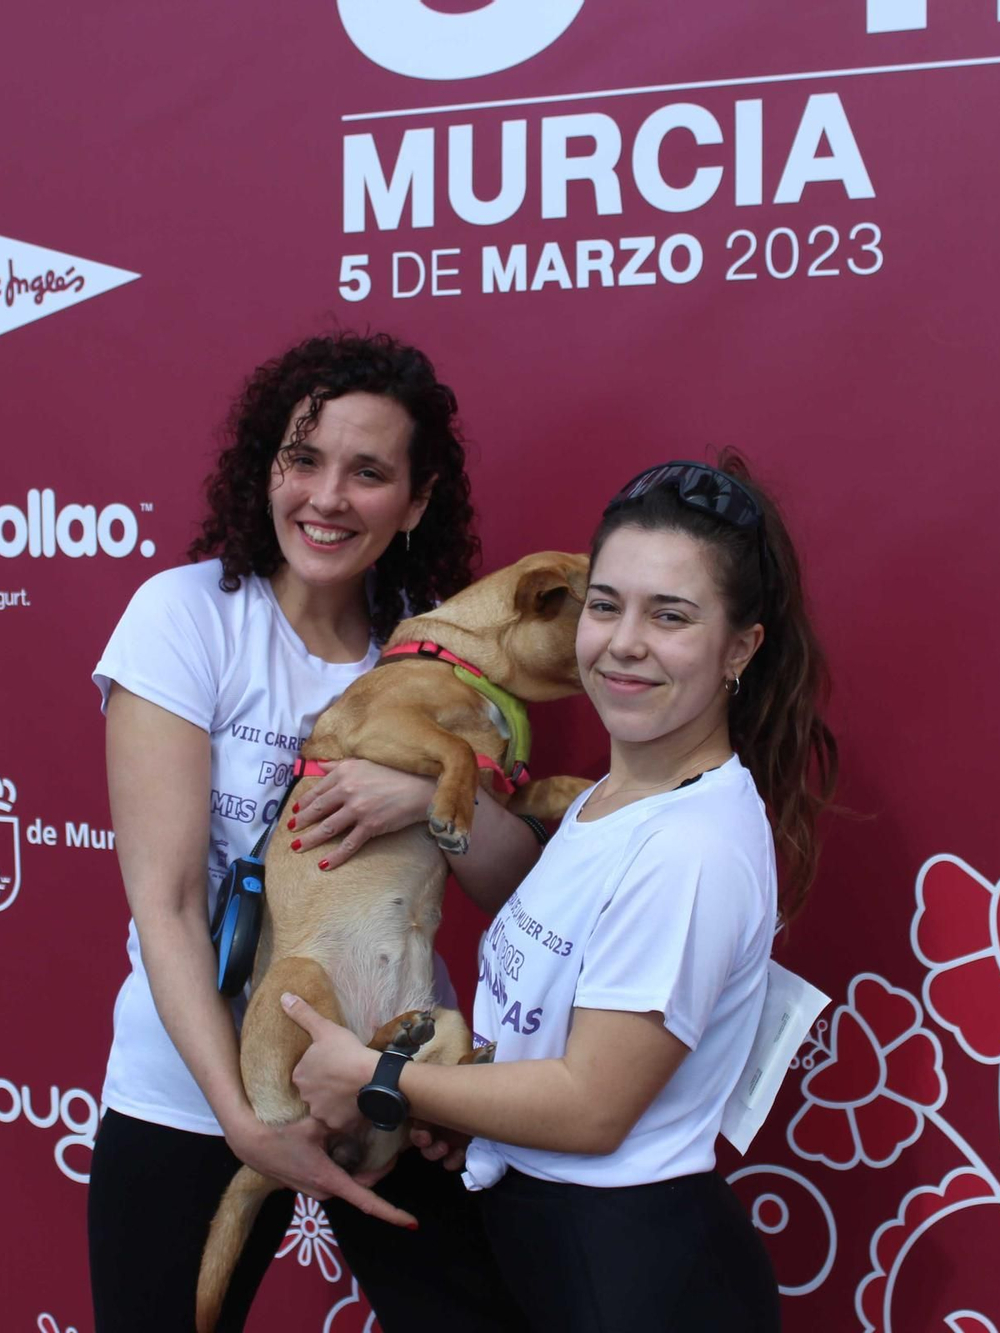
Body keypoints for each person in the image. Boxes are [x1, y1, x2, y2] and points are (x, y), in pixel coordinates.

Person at [285, 454, 837, 1333]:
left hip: (635, 1277)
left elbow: (589, 1106)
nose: (623, 640)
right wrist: (474, 1115)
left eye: (672, 616)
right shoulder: (604, 803)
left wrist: (381, 1077)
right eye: (608, 604)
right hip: (548, 1244)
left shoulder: (690, 848)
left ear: (741, 647)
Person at [86, 332, 538, 1333]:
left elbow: (512, 890)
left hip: (394, 1078)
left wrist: (425, 799)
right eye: (305, 459)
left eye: (368, 471)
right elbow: (163, 907)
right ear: (267, 467)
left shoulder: (433, 652)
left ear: (416, 502)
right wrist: (247, 1127)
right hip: (194, 1093)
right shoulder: (186, 618)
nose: (327, 496)